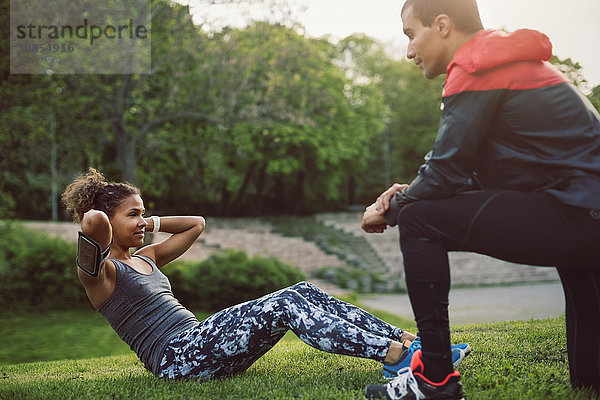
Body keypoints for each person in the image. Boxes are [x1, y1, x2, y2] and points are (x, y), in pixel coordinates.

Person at [361, 0, 600, 398]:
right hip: (583, 208)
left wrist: (392, 209)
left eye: (410, 34)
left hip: (581, 210)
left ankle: (434, 380)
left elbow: (444, 172)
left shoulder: (477, 64)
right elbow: (474, 174)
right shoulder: (503, 59)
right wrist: (406, 194)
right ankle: (593, 374)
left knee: (420, 220)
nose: (408, 51)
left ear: (441, 25)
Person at [62, 168, 469, 382]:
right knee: (287, 304)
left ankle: (412, 344)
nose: (141, 220)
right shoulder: (103, 276)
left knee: (303, 290)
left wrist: (146, 222)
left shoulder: (147, 258)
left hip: (199, 340)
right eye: (132, 214)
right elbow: (95, 220)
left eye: (142, 212)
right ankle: (395, 358)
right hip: (175, 359)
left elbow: (196, 224)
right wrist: (101, 213)